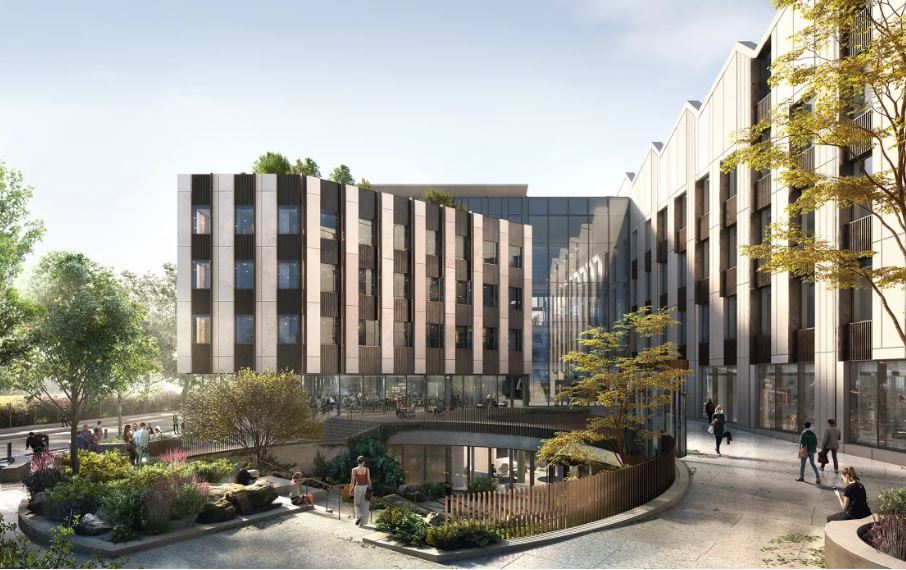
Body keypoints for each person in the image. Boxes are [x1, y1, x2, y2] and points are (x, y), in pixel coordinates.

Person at [349, 455, 372, 526]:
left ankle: (359, 515)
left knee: (356, 504)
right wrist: (370, 489)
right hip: (365, 488)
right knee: (365, 505)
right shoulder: (367, 469)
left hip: (358, 487)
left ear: (357, 462)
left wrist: (350, 490)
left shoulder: (354, 470)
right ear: (363, 462)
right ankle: (363, 522)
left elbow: (352, 481)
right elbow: (368, 480)